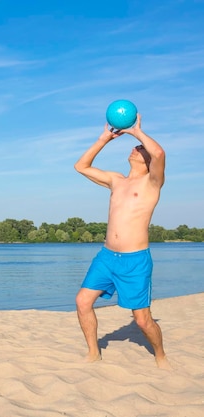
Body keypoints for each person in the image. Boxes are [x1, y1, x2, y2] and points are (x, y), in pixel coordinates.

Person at [74, 114, 170, 369]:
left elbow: (159, 153)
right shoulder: (117, 181)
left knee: (142, 320)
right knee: (82, 302)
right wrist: (103, 139)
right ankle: (94, 352)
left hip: (134, 261)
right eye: (136, 146)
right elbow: (81, 166)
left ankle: (160, 355)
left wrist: (136, 132)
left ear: (148, 161)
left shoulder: (152, 183)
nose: (135, 149)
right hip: (106, 257)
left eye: (140, 149)